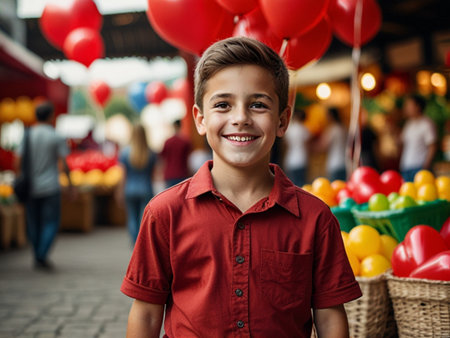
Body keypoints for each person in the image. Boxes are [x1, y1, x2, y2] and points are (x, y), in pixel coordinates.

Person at [121, 37, 361, 337]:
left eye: (258, 105)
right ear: (200, 119)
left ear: (282, 120)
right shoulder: (164, 212)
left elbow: (329, 317)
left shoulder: (316, 218)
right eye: (223, 105)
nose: (240, 119)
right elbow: (145, 314)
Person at [17, 101, 73, 270]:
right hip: (50, 187)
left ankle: (37, 254)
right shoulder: (56, 136)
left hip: (31, 187)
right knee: (51, 222)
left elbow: (17, 161)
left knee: (33, 223)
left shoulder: (27, 135)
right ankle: (41, 254)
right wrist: (70, 184)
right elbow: (63, 163)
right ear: (50, 116)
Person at [117, 123, 157, 244]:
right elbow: (154, 175)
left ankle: (135, 243)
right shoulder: (151, 153)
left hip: (130, 188)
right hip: (146, 188)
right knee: (143, 218)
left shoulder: (125, 152)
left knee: (132, 218)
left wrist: (119, 191)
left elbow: (123, 175)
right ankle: (142, 242)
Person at [399, 94, 437, 182]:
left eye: (409, 105)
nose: (406, 108)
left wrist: (425, 166)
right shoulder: (408, 124)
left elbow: (432, 146)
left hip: (419, 167)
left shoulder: (426, 124)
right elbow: (401, 142)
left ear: (417, 106)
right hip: (406, 167)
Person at [315, 107, 347, 181]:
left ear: (331, 116)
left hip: (334, 163)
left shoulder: (332, 129)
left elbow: (323, 146)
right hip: (344, 162)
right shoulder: (343, 128)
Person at [159, 119, 192, 188]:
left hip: (169, 174)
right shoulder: (185, 142)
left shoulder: (168, 142)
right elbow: (187, 159)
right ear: (180, 126)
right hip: (182, 173)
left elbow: (162, 159)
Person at [284, 109, 311, 186]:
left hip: (290, 160)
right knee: (302, 185)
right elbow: (307, 147)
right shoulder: (304, 129)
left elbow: (285, 146)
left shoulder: (289, 129)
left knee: (292, 185)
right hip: (302, 159)